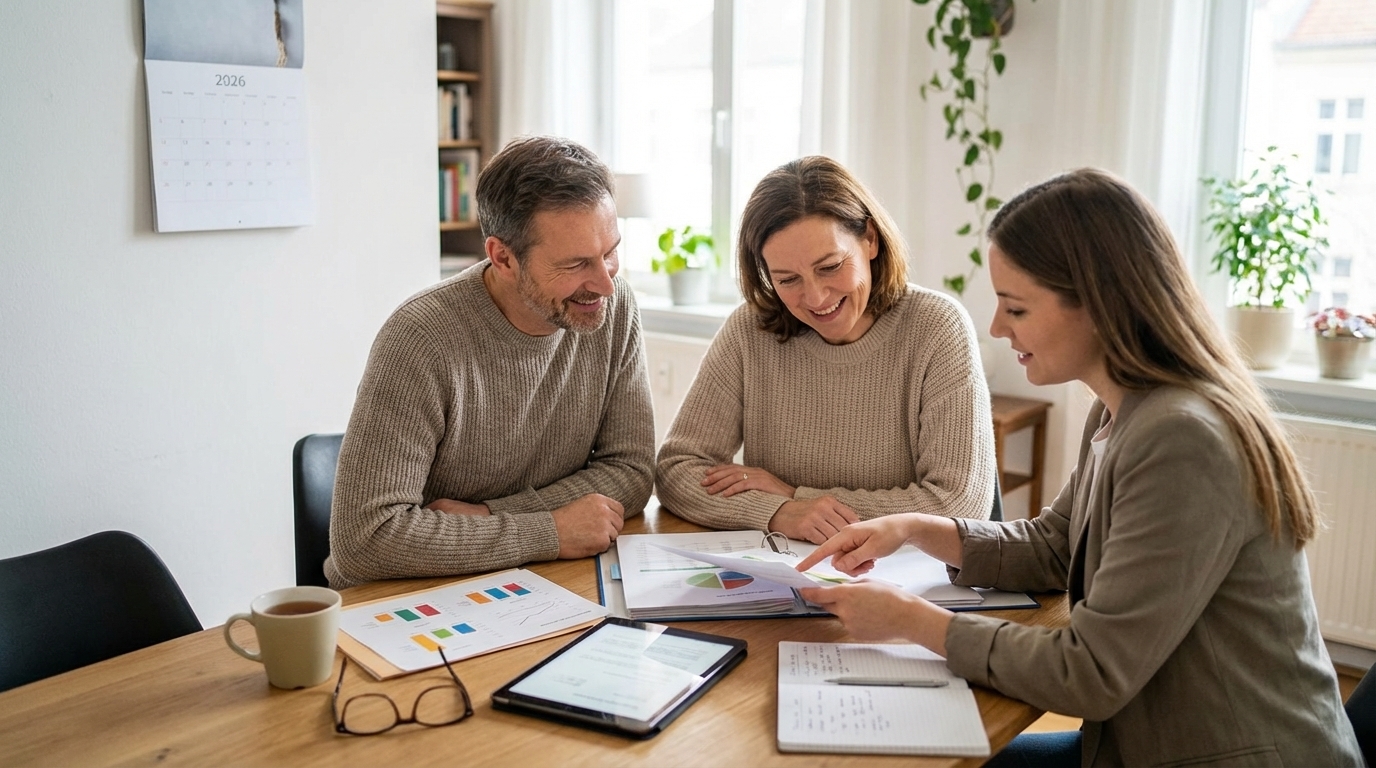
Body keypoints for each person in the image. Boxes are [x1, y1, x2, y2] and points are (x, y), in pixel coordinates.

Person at [796, 168, 1363, 766]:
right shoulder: (1122, 409)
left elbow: (1089, 673)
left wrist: (913, 620)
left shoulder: (1183, 440)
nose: (996, 326)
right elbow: (1056, 546)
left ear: (1099, 304)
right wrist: (915, 528)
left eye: (1015, 307)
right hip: (1137, 741)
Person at [324, 136, 655, 589]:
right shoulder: (421, 338)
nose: (605, 284)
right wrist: (551, 530)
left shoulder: (614, 310)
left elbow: (632, 473)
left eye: (611, 251)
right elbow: (366, 542)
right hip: (401, 599)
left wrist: (493, 516)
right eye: (577, 263)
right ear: (503, 258)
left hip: (533, 584)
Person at [655, 156, 995, 544]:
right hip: (780, 571)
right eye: (787, 279)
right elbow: (676, 470)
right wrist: (780, 513)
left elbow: (960, 505)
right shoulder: (750, 330)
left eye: (830, 266)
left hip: (895, 579)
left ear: (870, 238)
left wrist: (798, 497)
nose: (815, 298)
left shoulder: (936, 327)